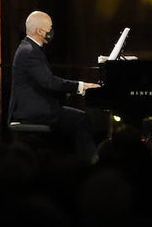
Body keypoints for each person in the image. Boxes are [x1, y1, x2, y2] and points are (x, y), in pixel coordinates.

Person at [7, 10, 102, 161]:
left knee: (75, 118)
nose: (51, 31)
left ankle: (76, 162)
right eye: (49, 28)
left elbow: (45, 82)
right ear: (39, 31)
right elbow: (49, 81)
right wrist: (80, 86)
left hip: (35, 106)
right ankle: (89, 164)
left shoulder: (30, 48)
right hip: (32, 111)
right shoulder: (30, 51)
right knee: (82, 119)